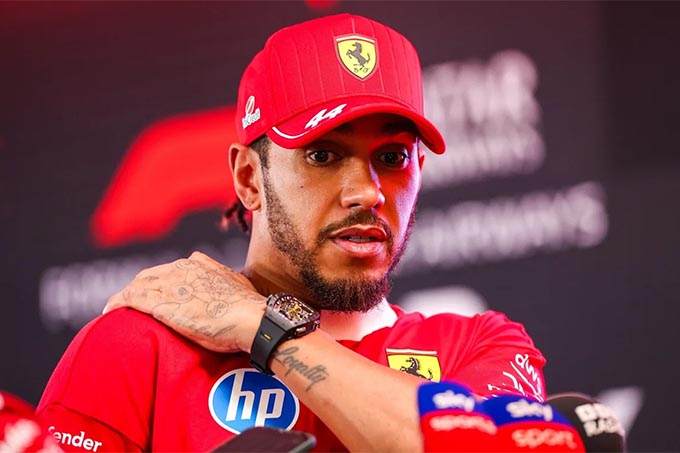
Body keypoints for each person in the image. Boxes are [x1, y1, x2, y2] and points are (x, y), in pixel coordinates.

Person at [37, 13, 546, 452]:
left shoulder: (483, 347)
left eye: (392, 157)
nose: (367, 192)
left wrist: (267, 329)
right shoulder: (135, 346)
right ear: (248, 178)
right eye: (323, 155)